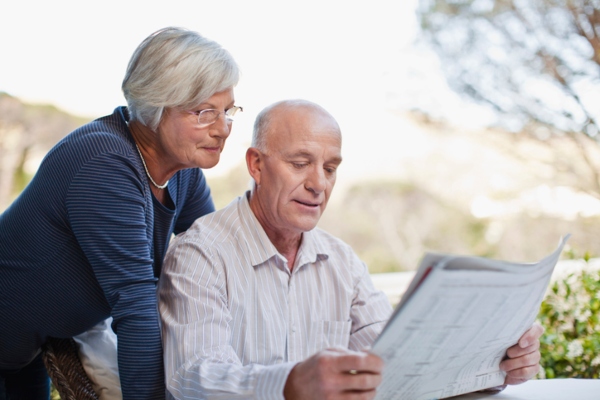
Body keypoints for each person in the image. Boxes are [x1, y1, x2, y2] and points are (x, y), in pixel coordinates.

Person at [158, 99, 543, 399]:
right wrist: (290, 384)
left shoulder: (342, 261)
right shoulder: (200, 253)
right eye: (300, 163)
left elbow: (397, 365)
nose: (318, 184)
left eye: (330, 168)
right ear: (256, 165)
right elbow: (194, 377)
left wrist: (494, 367)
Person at [0, 27, 241, 400]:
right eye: (203, 112)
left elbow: (217, 262)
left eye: (227, 111)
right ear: (156, 105)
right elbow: (136, 305)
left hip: (26, 350)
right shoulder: (103, 163)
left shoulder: (184, 170)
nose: (222, 129)